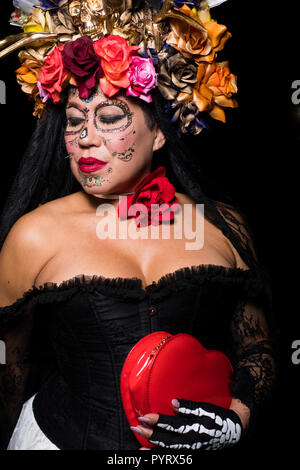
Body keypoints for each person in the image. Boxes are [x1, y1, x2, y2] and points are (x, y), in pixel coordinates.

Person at [0, 0, 275, 450]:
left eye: (109, 118)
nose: (85, 137)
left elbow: (258, 350)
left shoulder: (223, 226)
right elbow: (10, 372)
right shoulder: (32, 236)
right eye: (73, 121)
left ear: (161, 132)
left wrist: (235, 421)